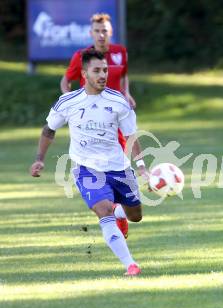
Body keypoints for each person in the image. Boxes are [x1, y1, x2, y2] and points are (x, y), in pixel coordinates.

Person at [30, 49, 148, 276]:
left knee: (136, 216)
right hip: (86, 168)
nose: (103, 75)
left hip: (119, 167)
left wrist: (142, 167)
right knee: (103, 211)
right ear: (84, 74)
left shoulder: (118, 101)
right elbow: (49, 130)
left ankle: (119, 213)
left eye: (105, 70)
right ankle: (130, 265)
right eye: (97, 71)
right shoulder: (68, 102)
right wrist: (39, 160)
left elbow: (132, 135)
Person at [60, 13, 136, 238]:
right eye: (97, 30)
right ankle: (113, 214)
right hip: (92, 125)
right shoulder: (82, 56)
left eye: (105, 30)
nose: (101, 34)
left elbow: (123, 77)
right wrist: (72, 104)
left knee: (119, 169)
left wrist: (127, 93)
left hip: (116, 122)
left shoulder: (120, 53)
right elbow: (66, 82)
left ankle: (116, 213)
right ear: (91, 33)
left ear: (110, 32)